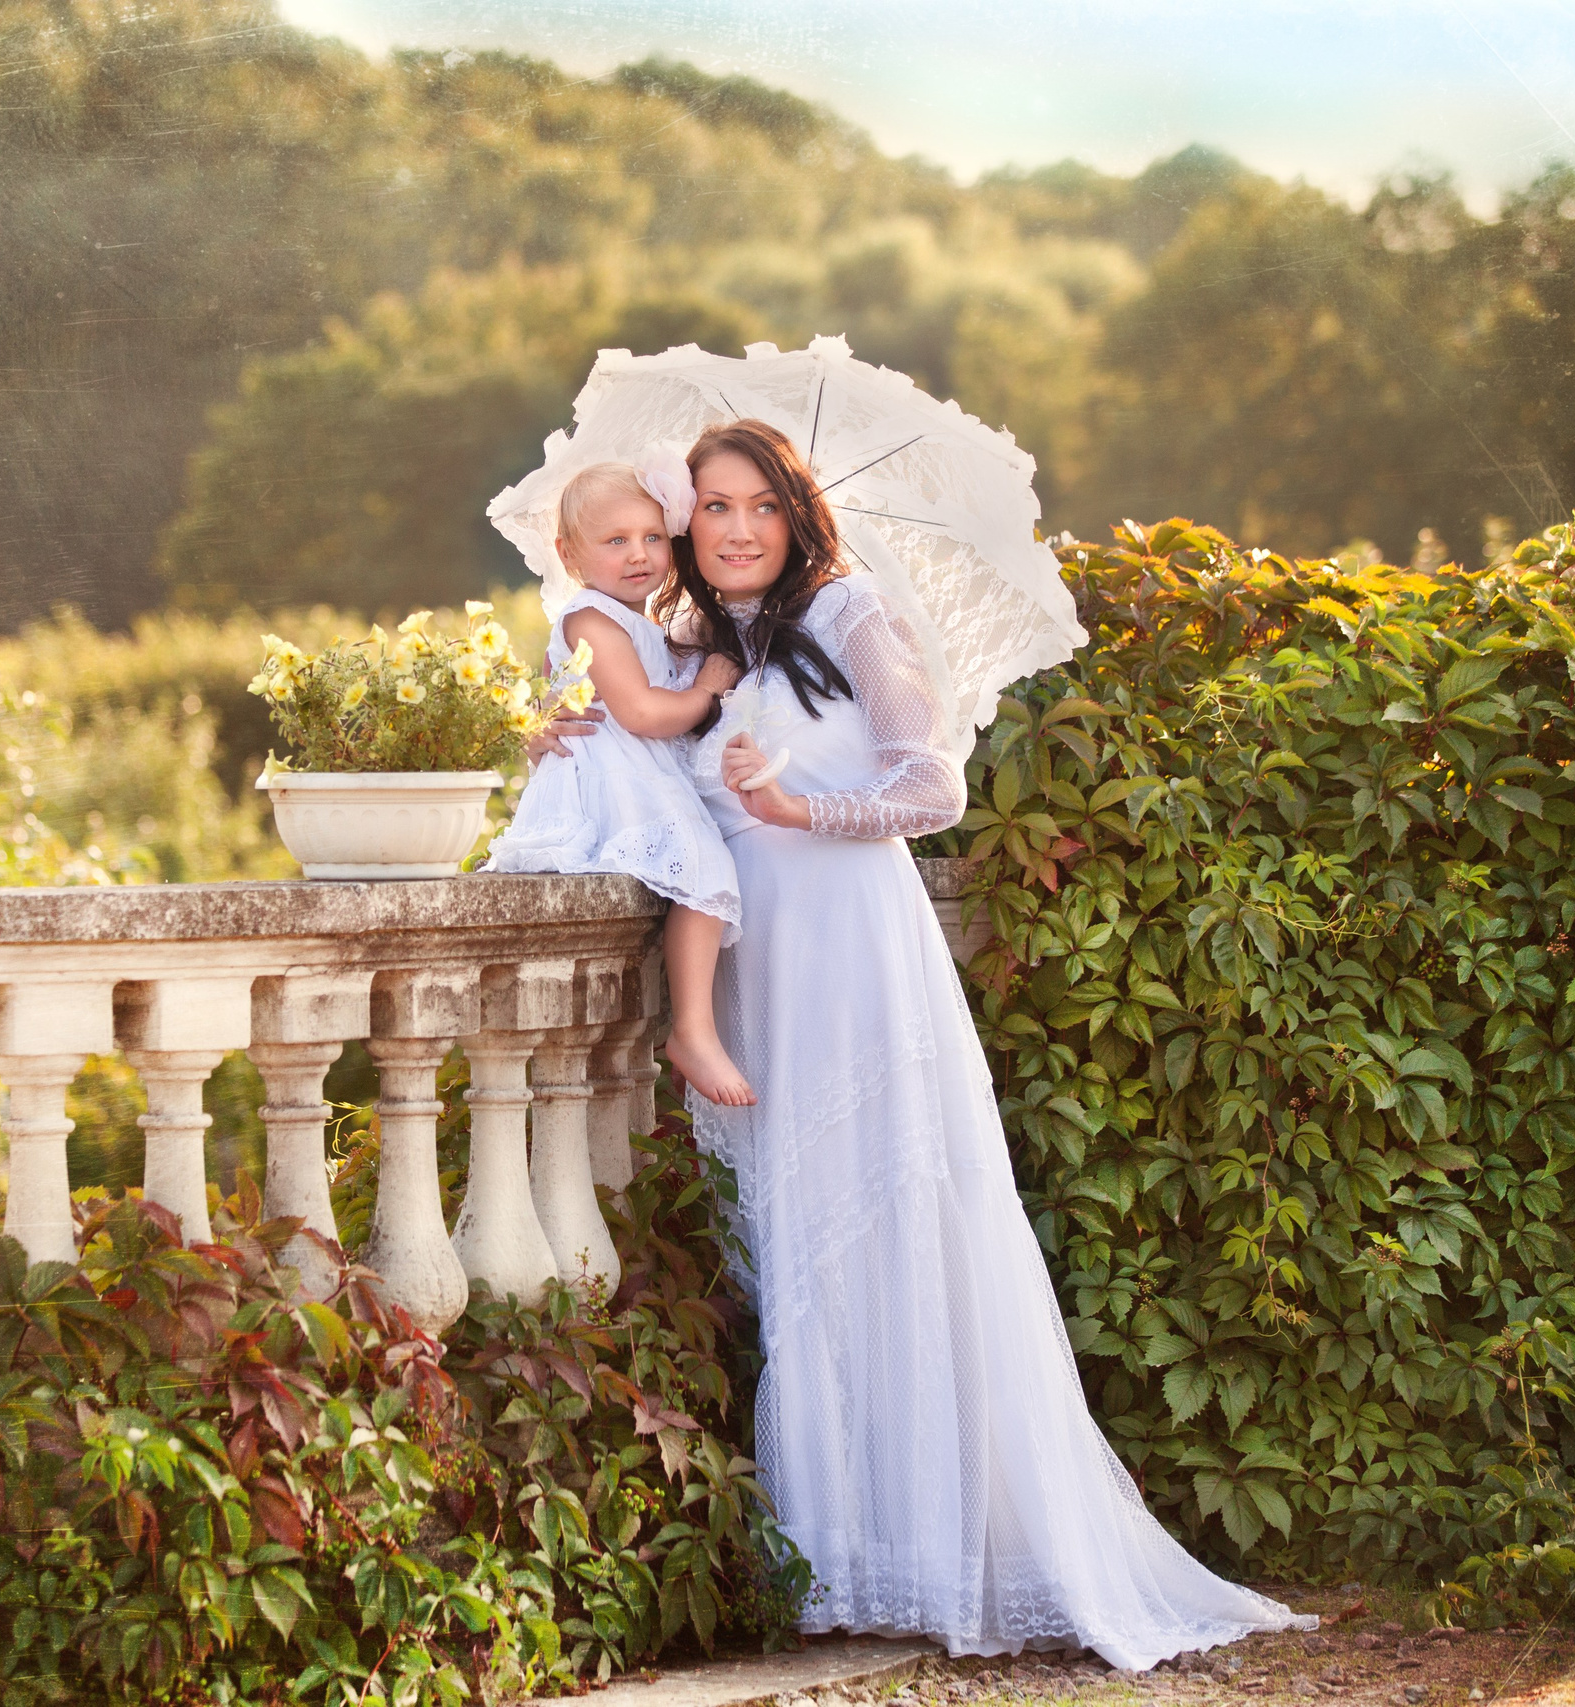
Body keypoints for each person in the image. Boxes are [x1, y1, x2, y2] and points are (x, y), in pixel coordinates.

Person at [539, 419, 1311, 1671]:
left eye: (759, 507)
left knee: (894, 1218)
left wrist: (805, 807)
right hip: (758, 972)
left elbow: (934, 787)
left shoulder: (847, 617)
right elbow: (636, 744)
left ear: (795, 517)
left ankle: (954, 1547)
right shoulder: (698, 646)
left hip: (854, 947)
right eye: (714, 509)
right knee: (797, 1249)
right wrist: (554, 736)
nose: (734, 529)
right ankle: (841, 1559)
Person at [485, 461, 755, 1104]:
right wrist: (706, 691)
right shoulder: (590, 620)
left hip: (637, 777)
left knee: (699, 878)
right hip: (613, 783)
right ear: (568, 554)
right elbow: (641, 713)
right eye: (616, 541)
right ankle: (692, 1030)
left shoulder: (638, 623)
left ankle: (690, 1028)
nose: (639, 554)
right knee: (703, 867)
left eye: (653, 537)